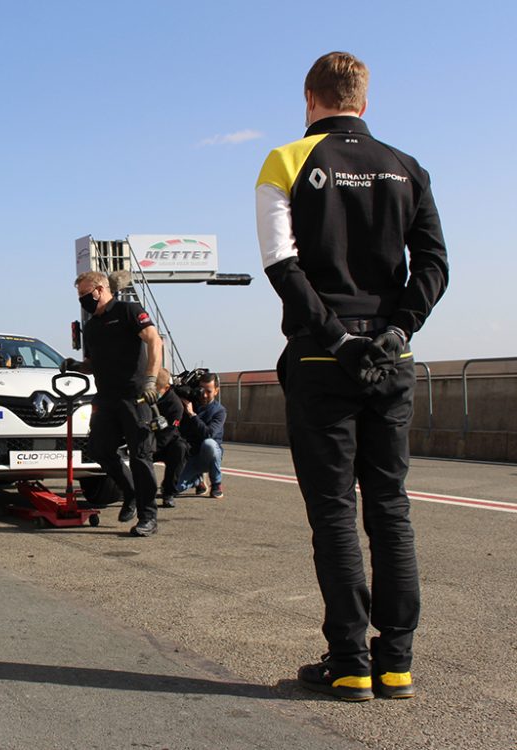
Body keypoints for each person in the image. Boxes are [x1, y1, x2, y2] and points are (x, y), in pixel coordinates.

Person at [255, 52, 449, 700]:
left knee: (335, 512)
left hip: (320, 355)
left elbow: (282, 266)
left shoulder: (286, 161)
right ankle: (396, 661)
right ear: (363, 102)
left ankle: (350, 661)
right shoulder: (408, 167)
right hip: (391, 359)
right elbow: (432, 265)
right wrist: (396, 330)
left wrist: (335, 337)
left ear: (310, 98)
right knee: (391, 510)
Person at [62, 271, 163, 536]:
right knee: (99, 450)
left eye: (84, 295)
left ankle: (148, 517)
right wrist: (77, 366)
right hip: (106, 398)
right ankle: (129, 493)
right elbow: (93, 363)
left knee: (141, 456)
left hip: (135, 397)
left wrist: (151, 381)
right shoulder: (92, 326)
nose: (83, 300)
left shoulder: (129, 311)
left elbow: (154, 340)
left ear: (99, 290)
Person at [173, 372, 227, 499]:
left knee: (209, 444)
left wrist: (192, 414)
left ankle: (216, 484)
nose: (204, 394)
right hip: (192, 456)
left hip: (209, 456)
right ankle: (198, 481)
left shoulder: (220, 411)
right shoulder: (190, 403)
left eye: (208, 391)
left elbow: (208, 433)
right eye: (201, 390)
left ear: (216, 391)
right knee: (173, 488)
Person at [151, 368, 187, 508]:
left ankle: (169, 492)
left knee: (180, 449)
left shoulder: (175, 405)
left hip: (164, 443)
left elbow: (169, 432)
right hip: (144, 439)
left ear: (166, 388)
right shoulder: (144, 397)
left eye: (156, 389)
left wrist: (152, 448)